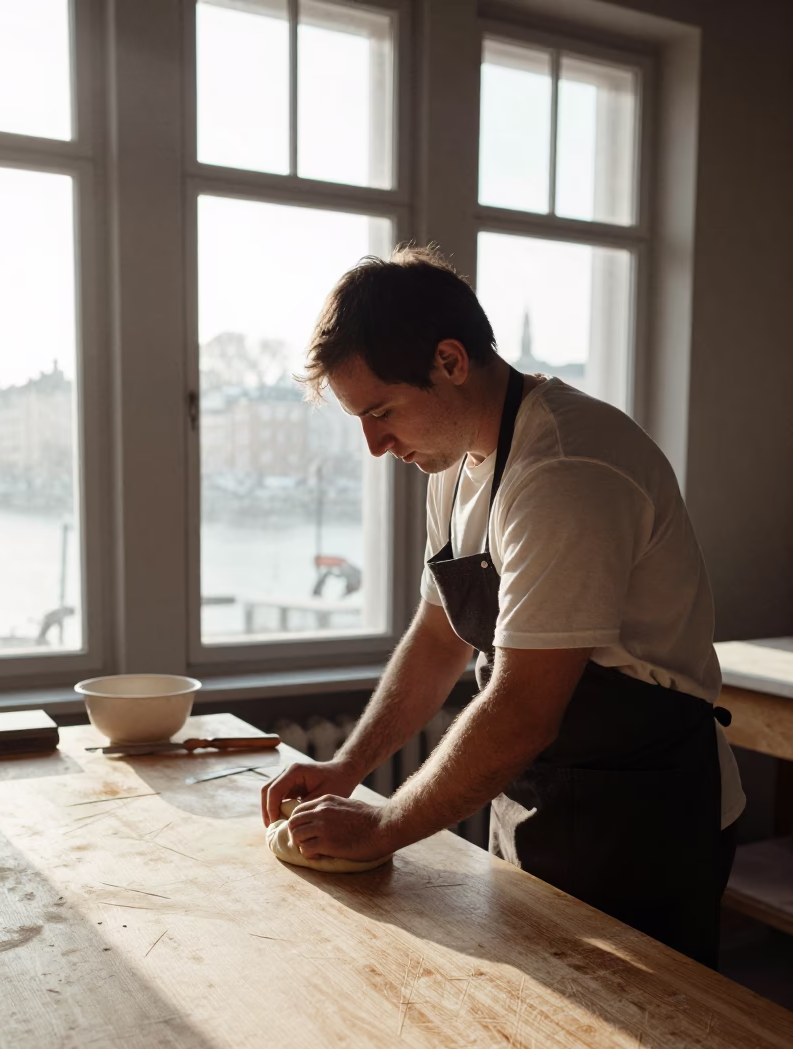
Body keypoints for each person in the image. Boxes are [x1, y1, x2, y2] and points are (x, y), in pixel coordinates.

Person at [261, 245, 744, 968]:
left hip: (645, 818)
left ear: (450, 361)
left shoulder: (564, 471)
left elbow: (521, 708)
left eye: (382, 411)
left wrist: (386, 824)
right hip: (536, 793)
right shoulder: (452, 463)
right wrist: (347, 768)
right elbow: (438, 638)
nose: (374, 445)